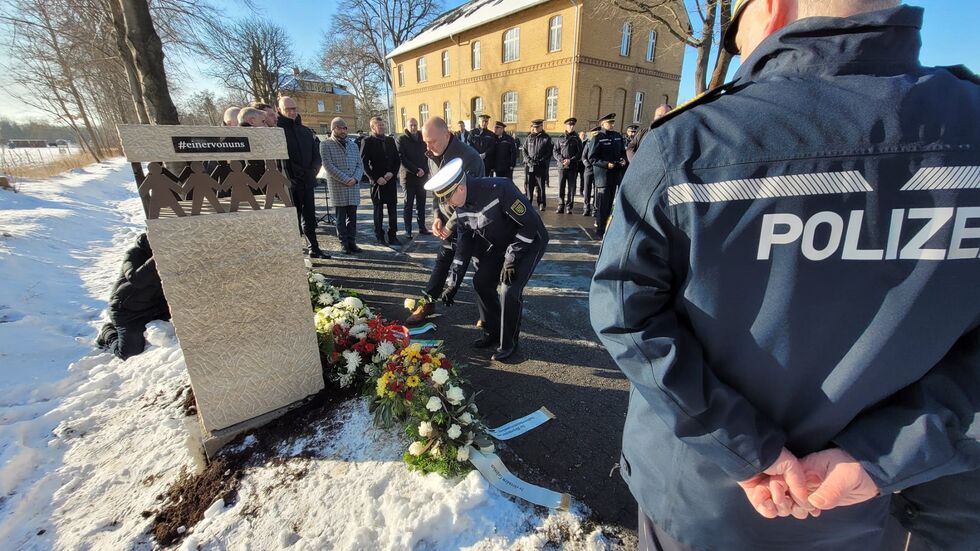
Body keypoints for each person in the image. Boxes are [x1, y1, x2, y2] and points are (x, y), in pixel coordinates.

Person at [590, 1, 980, 550]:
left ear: (770, 8)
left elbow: (626, 314)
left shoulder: (692, 141)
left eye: (735, 37)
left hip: (702, 503)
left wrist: (748, 449)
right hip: (880, 509)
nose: (738, 54)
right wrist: (883, 454)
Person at [425, 158, 548, 362]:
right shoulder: (461, 207)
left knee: (509, 290)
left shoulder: (500, 189)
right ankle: (492, 331)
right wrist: (453, 283)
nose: (448, 205)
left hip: (528, 241)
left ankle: (509, 343)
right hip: (501, 243)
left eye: (448, 198)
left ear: (460, 188)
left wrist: (511, 258)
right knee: (481, 282)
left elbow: (530, 224)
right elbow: (463, 247)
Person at [405, 117, 484, 325]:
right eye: (425, 142)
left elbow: (469, 199)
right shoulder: (432, 155)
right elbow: (435, 191)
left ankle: (487, 314)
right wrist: (436, 217)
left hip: (473, 222)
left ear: (447, 135)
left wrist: (450, 226)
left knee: (480, 269)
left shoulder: (469, 158)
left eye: (432, 141)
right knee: (442, 261)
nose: (428, 147)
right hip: (448, 220)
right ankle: (428, 303)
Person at [96, 233, 170, 361]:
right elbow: (136, 279)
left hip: (155, 307)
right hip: (128, 310)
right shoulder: (134, 254)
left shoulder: (176, 255)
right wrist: (159, 257)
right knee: (130, 352)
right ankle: (108, 332)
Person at [277, 96, 328, 259]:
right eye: (288, 109)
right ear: (279, 110)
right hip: (290, 183)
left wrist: (313, 170)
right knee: (293, 219)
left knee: (309, 217)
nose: (292, 112)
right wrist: (297, 174)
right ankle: (295, 251)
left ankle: (314, 248)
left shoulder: (305, 131)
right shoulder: (277, 131)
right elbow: (282, 159)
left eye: (294, 109)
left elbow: (316, 155)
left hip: (308, 181)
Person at [320, 117, 363, 255]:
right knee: (341, 218)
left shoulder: (353, 145)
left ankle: (352, 242)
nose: (343, 131)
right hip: (338, 186)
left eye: (345, 128)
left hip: (353, 186)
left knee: (352, 218)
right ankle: (344, 243)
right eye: (340, 128)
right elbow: (328, 165)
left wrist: (355, 179)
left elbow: (360, 165)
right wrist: (345, 179)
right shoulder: (326, 145)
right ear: (333, 129)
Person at [361, 116, 402, 246]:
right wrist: (375, 178)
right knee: (378, 211)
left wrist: (392, 173)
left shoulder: (390, 140)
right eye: (379, 125)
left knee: (392, 210)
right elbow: (364, 164)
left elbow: (397, 160)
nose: (382, 127)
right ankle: (379, 236)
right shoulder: (367, 141)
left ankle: (393, 235)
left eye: (383, 125)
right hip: (377, 182)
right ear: (373, 127)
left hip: (390, 180)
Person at [587, 114, 626, 239]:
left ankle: (606, 228)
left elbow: (622, 152)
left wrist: (623, 160)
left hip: (614, 175)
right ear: (603, 124)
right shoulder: (597, 138)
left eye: (613, 122)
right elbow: (592, 158)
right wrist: (606, 164)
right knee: (602, 205)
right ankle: (600, 229)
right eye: (609, 123)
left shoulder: (617, 136)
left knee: (609, 205)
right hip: (603, 177)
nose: (612, 125)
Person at [398, 117, 429, 238]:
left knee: (421, 204)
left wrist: (424, 170)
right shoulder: (401, 139)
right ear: (406, 127)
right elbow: (402, 158)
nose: (414, 127)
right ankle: (408, 230)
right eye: (411, 125)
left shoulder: (423, 138)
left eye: (415, 125)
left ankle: (422, 227)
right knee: (408, 205)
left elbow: (428, 155)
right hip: (408, 178)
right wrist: (416, 170)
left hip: (422, 178)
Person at [521, 119, 553, 210]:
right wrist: (528, 160)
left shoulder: (546, 138)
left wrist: (541, 160)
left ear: (541, 127)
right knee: (529, 185)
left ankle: (541, 203)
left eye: (537, 127)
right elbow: (524, 150)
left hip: (540, 166)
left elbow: (549, 152)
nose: (535, 129)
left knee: (540, 186)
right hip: (530, 166)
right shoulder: (529, 137)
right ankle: (529, 202)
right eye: (534, 127)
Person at [553, 117, 582, 214]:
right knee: (561, 186)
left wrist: (570, 160)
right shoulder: (560, 138)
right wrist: (561, 160)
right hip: (562, 167)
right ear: (566, 126)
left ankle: (569, 206)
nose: (571, 127)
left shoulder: (577, 139)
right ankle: (561, 205)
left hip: (572, 167)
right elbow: (555, 151)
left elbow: (580, 153)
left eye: (573, 125)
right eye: (569, 125)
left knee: (571, 188)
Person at [580, 127, 598, 216]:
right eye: (593, 133)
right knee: (587, 189)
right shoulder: (588, 143)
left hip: (598, 170)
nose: (595, 135)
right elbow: (583, 157)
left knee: (596, 190)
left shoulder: (600, 143)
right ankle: (586, 208)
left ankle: (595, 209)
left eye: (596, 133)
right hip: (588, 170)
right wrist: (588, 165)